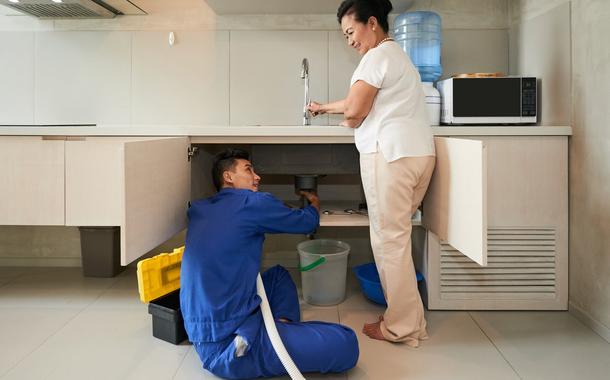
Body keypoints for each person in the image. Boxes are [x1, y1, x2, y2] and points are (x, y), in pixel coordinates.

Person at [308, 0, 436, 347]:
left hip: (390, 157)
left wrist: (347, 115)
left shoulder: (375, 58)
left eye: (351, 31)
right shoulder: (396, 57)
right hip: (416, 155)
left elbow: (355, 111)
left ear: (373, 23)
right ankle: (408, 319)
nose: (349, 40)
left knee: (389, 242)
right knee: (397, 238)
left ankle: (401, 327)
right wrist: (324, 108)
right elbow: (357, 102)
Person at [180, 148, 359, 379]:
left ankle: (277, 330)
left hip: (203, 331)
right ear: (228, 177)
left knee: (278, 276)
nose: (257, 177)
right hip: (232, 349)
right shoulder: (252, 202)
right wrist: (314, 202)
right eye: (248, 170)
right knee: (347, 343)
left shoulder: (200, 208)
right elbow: (305, 223)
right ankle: (273, 340)